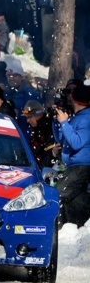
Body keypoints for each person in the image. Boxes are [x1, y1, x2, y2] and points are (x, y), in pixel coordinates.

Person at [52, 84, 90, 227]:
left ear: (74, 99)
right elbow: (62, 139)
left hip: (82, 166)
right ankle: (76, 226)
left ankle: (56, 228)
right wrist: (58, 121)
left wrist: (64, 123)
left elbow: (77, 142)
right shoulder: (78, 117)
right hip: (74, 165)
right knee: (75, 199)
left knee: (57, 194)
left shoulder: (87, 118)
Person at [22, 100, 54, 169]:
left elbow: (46, 153)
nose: (27, 120)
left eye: (29, 117)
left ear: (38, 115)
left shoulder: (48, 129)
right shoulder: (37, 129)